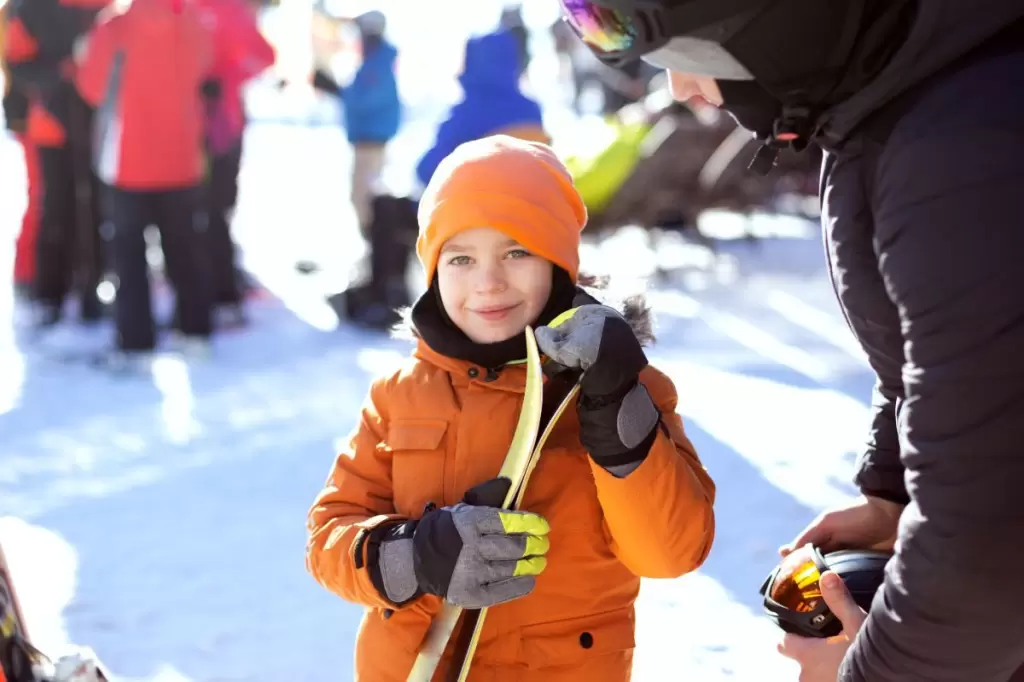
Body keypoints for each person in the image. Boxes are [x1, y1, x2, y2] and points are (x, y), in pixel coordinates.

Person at [556, 1, 1024, 680]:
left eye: (678, 47)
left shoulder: (962, 146)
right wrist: (892, 492)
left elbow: (988, 551)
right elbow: (943, 363)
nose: (677, 87)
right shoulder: (893, 99)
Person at [306, 135, 716, 681]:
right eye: (461, 258)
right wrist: (410, 556)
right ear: (433, 269)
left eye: (517, 251)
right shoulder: (399, 391)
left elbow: (671, 552)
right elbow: (329, 535)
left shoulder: (622, 384)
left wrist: (616, 407)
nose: (488, 282)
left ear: (558, 264)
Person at [74, 0, 215, 367]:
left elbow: (92, 87)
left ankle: (136, 341)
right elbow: (204, 69)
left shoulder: (114, 26)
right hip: (181, 156)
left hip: (129, 160)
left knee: (129, 255)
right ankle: (196, 331)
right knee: (185, 248)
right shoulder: (190, 21)